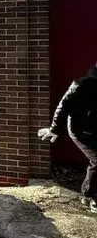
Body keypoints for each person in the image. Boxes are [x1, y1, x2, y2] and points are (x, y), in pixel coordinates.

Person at [38, 63, 97, 213]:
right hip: (81, 131)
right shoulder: (82, 84)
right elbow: (63, 105)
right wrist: (54, 129)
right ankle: (90, 196)